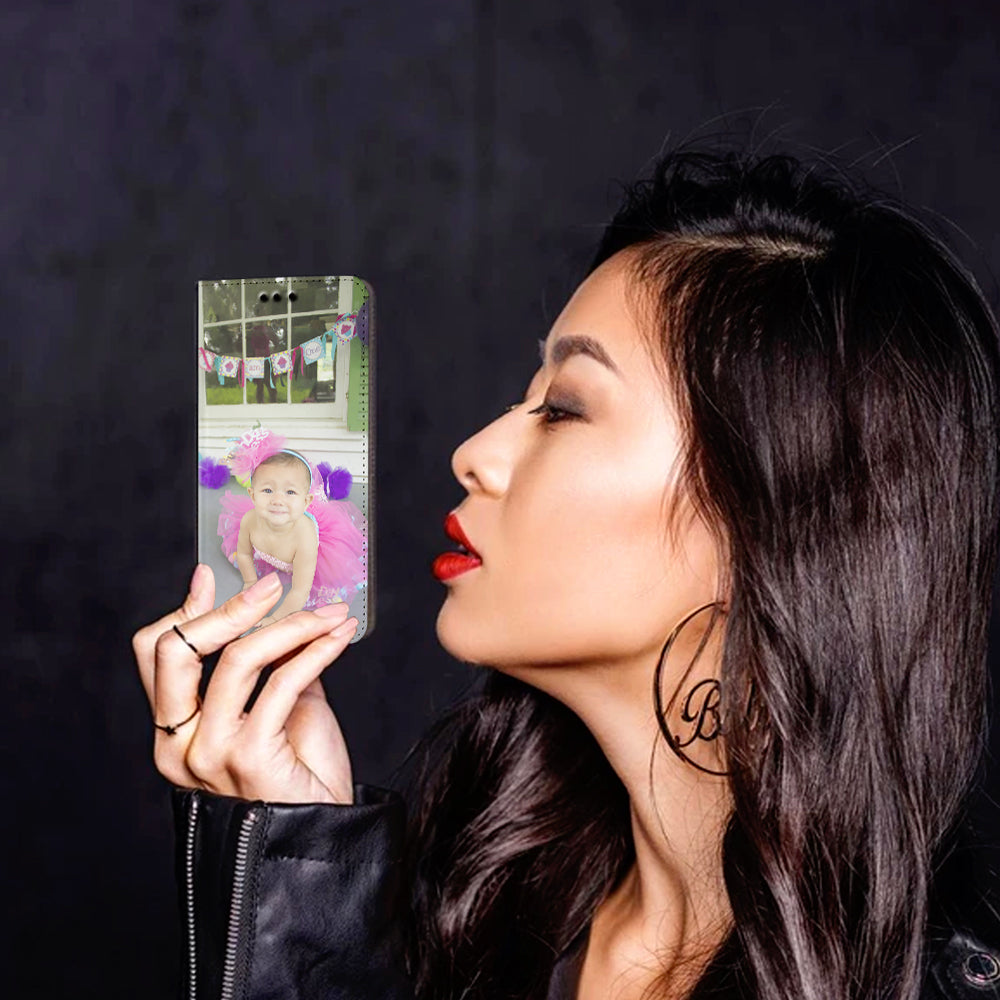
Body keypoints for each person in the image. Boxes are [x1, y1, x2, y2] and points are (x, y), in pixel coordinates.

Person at [132, 150, 1000, 1000]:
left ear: (771, 513)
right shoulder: (488, 909)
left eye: (562, 408)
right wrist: (302, 885)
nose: (473, 453)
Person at [217, 430, 367, 626]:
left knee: (331, 582)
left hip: (313, 554)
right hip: (278, 539)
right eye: (267, 490)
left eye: (290, 492)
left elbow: (299, 591)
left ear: (306, 502)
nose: (277, 500)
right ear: (252, 495)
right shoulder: (249, 521)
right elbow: (244, 554)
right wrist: (250, 581)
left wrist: (275, 618)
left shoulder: (305, 537)